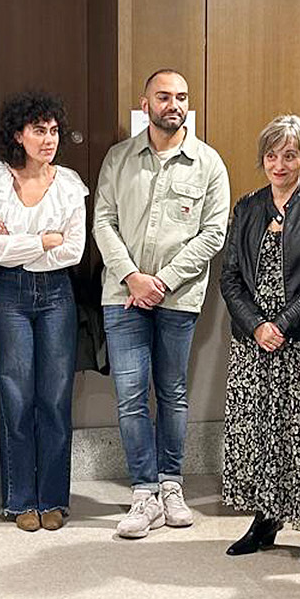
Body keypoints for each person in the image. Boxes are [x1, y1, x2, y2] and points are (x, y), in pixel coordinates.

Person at [93, 68, 231, 539]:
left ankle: (172, 484)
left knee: (172, 391)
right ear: (146, 102)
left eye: (181, 97)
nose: (173, 104)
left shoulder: (209, 164)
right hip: (123, 297)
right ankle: (143, 493)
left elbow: (213, 234)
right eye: (164, 96)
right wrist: (133, 278)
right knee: (131, 396)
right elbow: (103, 223)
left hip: (179, 298)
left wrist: (163, 281)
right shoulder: (118, 158)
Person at [219, 116, 300, 566]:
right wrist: (257, 325)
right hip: (254, 341)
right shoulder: (249, 207)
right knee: (261, 433)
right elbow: (231, 278)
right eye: (272, 155)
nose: (279, 164)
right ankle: (265, 519)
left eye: (289, 155)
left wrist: (284, 325)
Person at [0, 89, 86, 532]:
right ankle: (20, 498)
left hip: (58, 295)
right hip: (8, 297)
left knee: (55, 400)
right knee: (16, 399)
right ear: (19, 135)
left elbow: (75, 250)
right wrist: (44, 240)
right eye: (38, 130)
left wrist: (19, 242)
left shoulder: (71, 183)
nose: (48, 139)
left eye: (54, 131)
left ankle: (54, 499)